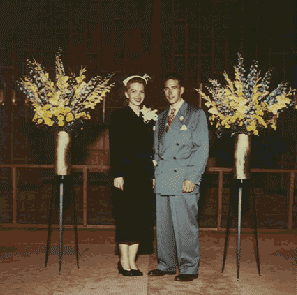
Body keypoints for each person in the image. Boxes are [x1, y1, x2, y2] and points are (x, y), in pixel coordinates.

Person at [148, 73, 209, 282]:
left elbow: (201, 148)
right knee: (163, 225)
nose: (170, 92)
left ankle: (189, 267)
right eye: (166, 89)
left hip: (183, 177)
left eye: (173, 87)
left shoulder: (195, 114)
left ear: (182, 89)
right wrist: (155, 174)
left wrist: (193, 177)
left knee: (185, 225)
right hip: (164, 176)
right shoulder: (161, 116)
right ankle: (166, 264)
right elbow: (157, 149)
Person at [109, 75, 155, 276]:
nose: (138, 95)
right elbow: (116, 148)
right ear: (127, 93)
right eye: (134, 91)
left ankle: (133, 262)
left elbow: (151, 151)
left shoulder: (149, 116)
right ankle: (123, 262)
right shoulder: (118, 116)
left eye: (141, 91)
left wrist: (153, 175)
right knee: (126, 217)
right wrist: (118, 173)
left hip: (144, 175)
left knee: (141, 218)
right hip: (126, 175)